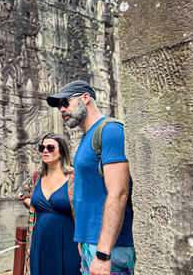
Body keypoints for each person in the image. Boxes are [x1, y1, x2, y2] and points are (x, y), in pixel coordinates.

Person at [46, 80, 135, 275]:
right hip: (90, 243)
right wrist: (82, 238)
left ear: (85, 98)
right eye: (59, 105)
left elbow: (119, 192)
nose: (61, 109)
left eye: (65, 102)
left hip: (110, 248)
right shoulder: (88, 136)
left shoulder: (110, 131)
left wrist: (103, 253)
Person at [18, 134, 80, 275]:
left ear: (62, 152)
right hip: (40, 241)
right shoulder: (37, 177)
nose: (45, 151)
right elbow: (21, 193)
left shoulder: (74, 177)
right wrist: (34, 205)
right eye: (42, 147)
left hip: (67, 241)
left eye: (50, 148)